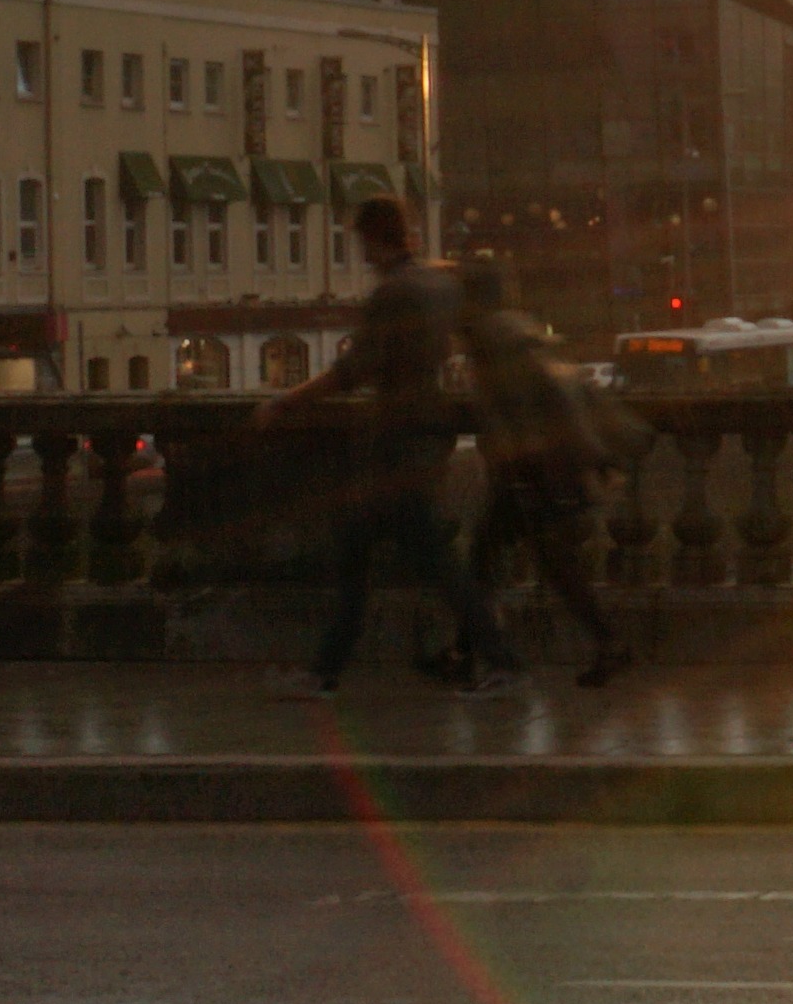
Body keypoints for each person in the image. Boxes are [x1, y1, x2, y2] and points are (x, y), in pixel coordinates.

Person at [259, 198, 471, 697]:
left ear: (374, 239)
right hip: (427, 431)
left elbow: (351, 372)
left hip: (398, 439)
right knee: (400, 553)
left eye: (361, 241)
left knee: (399, 557)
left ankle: (492, 653)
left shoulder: (393, 293)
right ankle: (331, 668)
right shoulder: (438, 283)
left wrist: (285, 402)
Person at [452, 255, 628, 692]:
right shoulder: (507, 329)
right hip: (525, 466)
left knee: (509, 564)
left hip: (530, 468)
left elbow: (553, 396)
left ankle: (473, 654)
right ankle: (468, 652)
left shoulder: (497, 337)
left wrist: (592, 454)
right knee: (504, 562)